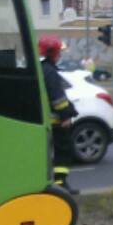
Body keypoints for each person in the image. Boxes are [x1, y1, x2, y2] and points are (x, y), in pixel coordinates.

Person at [39, 36, 79, 194]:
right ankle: (61, 185)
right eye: (58, 52)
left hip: (47, 121)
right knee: (63, 152)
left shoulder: (43, 68)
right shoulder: (50, 72)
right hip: (57, 122)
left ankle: (56, 183)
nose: (60, 55)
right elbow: (58, 99)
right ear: (53, 52)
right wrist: (65, 116)